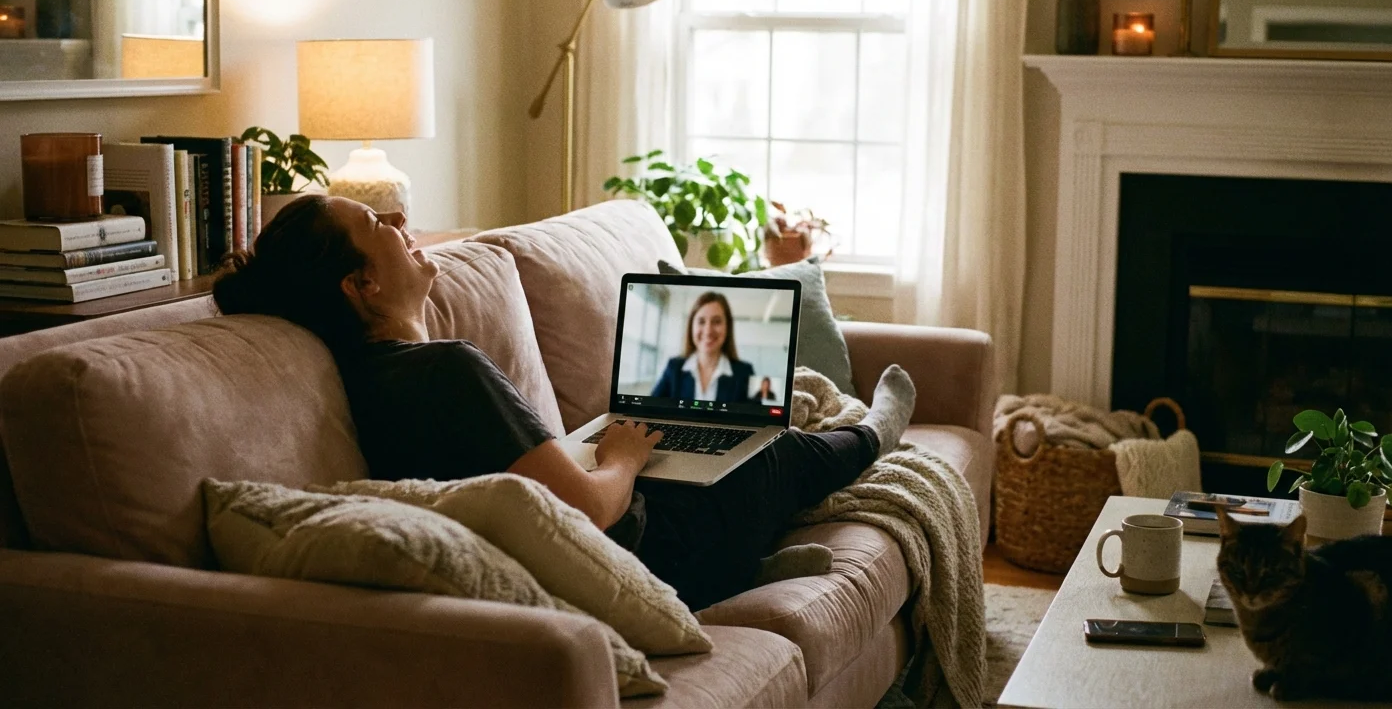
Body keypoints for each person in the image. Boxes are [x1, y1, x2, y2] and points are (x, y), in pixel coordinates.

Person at [212, 195, 917, 610]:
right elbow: (584, 508)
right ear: (360, 285)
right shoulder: (443, 370)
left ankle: (749, 567)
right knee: (774, 451)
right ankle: (872, 438)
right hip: (644, 550)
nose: (400, 217)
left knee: (705, 431)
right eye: (376, 222)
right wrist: (625, 455)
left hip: (620, 534)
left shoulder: (367, 377)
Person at [649, 292, 754, 404]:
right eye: (701, 321)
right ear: (691, 327)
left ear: (727, 327)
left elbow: (756, 419)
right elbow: (649, 409)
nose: (708, 331)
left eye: (717, 321)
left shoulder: (745, 373)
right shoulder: (674, 368)